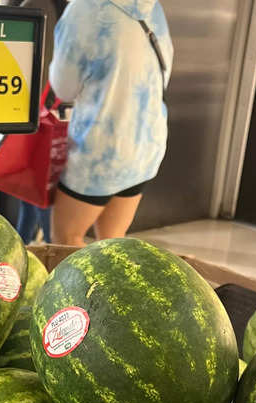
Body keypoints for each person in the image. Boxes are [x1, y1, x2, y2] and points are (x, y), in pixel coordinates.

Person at [49, 0, 173, 246]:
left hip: (100, 154)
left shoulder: (85, 9)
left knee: (66, 239)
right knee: (113, 243)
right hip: (145, 145)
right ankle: (110, 286)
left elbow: (63, 87)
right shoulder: (151, 5)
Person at [14, 0, 67, 244]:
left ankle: (42, 248)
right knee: (35, 191)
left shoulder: (32, 5)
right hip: (51, 109)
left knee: (37, 192)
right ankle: (29, 244)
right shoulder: (61, 7)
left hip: (34, 110)